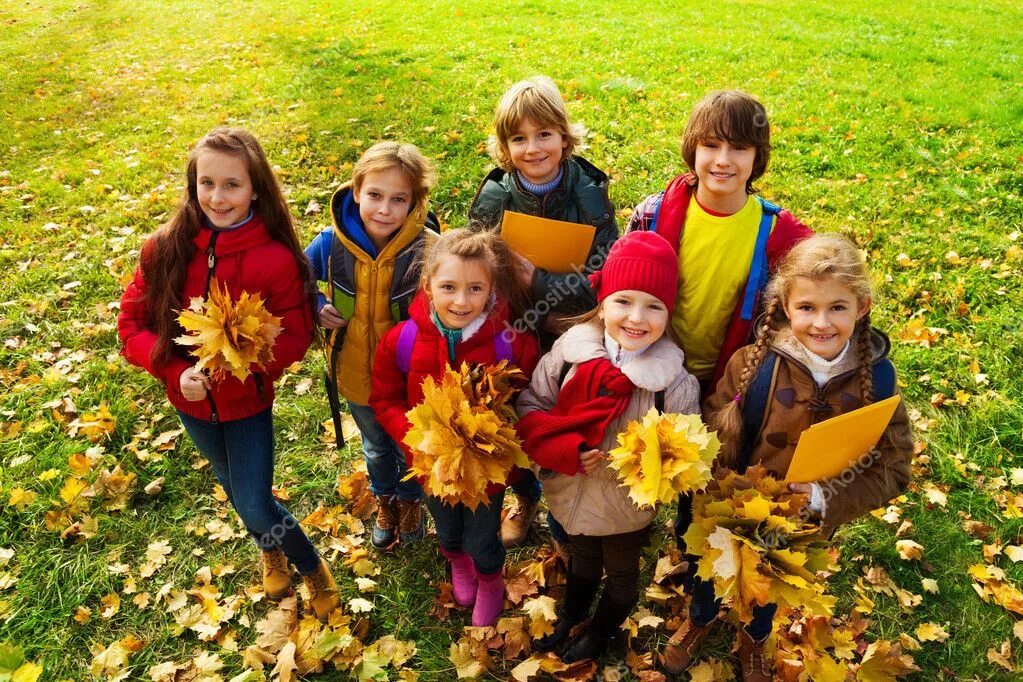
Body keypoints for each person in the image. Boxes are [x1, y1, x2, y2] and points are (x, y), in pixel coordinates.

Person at [659, 233, 914, 680]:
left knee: (770, 586)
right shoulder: (753, 363)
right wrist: (719, 490)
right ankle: (700, 619)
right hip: (731, 509)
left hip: (800, 524)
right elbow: (712, 428)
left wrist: (822, 497)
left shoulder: (879, 380)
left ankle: (754, 637)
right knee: (709, 574)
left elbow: (893, 466)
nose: (822, 323)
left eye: (838, 307)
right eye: (807, 308)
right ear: (786, 306)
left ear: (862, 306)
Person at [118, 128, 338, 621]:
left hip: (247, 405)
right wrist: (176, 374)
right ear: (192, 184)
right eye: (207, 183)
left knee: (255, 502)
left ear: (256, 188)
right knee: (236, 491)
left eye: (232, 185)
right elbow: (131, 325)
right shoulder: (164, 249)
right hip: (191, 405)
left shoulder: (275, 259)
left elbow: (297, 334)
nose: (218, 197)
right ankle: (271, 550)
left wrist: (245, 361)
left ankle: (310, 566)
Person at [626, 89, 813, 545]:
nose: (722, 160)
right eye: (711, 145)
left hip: (728, 380)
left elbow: (821, 287)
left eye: (739, 148)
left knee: (706, 473)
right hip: (651, 364)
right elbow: (619, 284)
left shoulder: (777, 231)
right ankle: (629, 528)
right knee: (641, 460)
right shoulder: (654, 213)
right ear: (693, 148)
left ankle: (691, 539)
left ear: (757, 158)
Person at [516, 232, 701, 662]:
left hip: (626, 508)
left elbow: (687, 452)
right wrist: (565, 449)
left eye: (653, 305)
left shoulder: (671, 383)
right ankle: (572, 614)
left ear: (668, 312)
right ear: (602, 301)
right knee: (581, 561)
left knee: (619, 576)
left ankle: (600, 632)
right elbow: (532, 406)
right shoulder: (570, 354)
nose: (637, 317)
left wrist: (653, 462)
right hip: (571, 492)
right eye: (624, 301)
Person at [469, 75, 619, 549]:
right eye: (518, 138)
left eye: (544, 135)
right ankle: (525, 491)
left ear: (564, 136)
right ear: (504, 145)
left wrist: (542, 282)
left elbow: (605, 273)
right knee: (511, 410)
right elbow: (473, 268)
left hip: (576, 322)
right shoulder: (495, 196)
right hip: (512, 327)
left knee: (563, 411)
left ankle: (568, 499)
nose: (533, 149)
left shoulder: (589, 192)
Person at [369, 229, 540, 627]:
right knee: (446, 528)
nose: (461, 301)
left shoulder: (511, 344)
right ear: (428, 284)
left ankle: (490, 577)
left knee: (483, 536)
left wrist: (501, 439)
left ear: (491, 289)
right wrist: (417, 440)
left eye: (475, 288)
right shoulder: (404, 340)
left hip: (486, 474)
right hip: (431, 465)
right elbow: (384, 398)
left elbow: (531, 401)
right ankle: (457, 562)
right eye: (449, 287)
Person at [305, 141, 438, 551]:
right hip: (355, 367)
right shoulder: (332, 242)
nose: (384, 209)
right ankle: (386, 499)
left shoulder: (430, 247)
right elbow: (295, 278)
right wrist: (317, 302)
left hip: (410, 374)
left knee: (411, 443)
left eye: (399, 200)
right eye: (375, 196)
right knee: (377, 445)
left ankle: (412, 500)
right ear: (357, 190)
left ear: (416, 201)